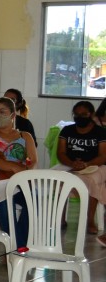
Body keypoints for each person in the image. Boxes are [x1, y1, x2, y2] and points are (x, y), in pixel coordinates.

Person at [0, 97, 36, 248]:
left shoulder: (25, 136)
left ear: (13, 115)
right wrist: (13, 167)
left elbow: (32, 160)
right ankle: (18, 247)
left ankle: (19, 244)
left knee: (33, 199)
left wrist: (24, 167)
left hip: (18, 183)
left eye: (2, 111)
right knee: (4, 199)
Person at [57, 101, 106, 245]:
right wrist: (72, 163)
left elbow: (103, 155)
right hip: (70, 165)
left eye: (83, 114)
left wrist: (87, 164)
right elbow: (61, 153)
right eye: (76, 114)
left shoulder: (100, 132)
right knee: (58, 179)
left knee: (91, 181)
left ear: (91, 114)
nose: (79, 117)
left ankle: (89, 220)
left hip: (96, 166)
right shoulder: (67, 131)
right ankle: (60, 218)